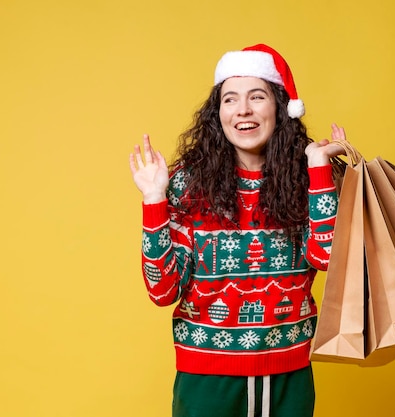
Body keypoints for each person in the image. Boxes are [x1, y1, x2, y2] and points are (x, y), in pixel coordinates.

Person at [129, 43, 348, 417]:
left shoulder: (310, 178)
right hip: (207, 377)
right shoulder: (186, 183)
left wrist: (317, 167)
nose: (243, 109)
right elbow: (162, 290)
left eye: (257, 96)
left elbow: (326, 257)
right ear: (218, 114)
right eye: (230, 100)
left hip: (289, 372)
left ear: (279, 107)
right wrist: (154, 198)